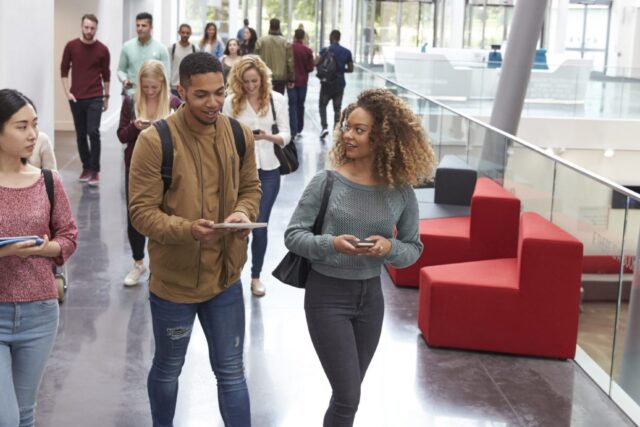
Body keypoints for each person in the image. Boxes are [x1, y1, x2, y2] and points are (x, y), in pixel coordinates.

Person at [284, 88, 436, 426]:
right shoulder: (327, 182)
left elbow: (413, 248)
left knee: (346, 398)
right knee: (349, 396)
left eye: (359, 129)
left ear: (381, 137)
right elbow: (293, 235)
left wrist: (389, 248)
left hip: (370, 299)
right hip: (327, 296)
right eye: (347, 127)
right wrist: (331, 244)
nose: (348, 136)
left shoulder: (400, 191)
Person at [128, 52, 261, 427]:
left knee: (232, 372)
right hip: (175, 285)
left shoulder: (238, 133)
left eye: (219, 93)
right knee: (168, 370)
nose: (213, 103)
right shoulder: (155, 142)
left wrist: (243, 214)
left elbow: (251, 189)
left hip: (226, 279)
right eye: (202, 95)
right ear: (181, 91)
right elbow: (141, 213)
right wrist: (188, 229)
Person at [0, 88, 78, 427]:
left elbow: (69, 235)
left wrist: (48, 249)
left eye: (34, 124)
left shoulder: (48, 180)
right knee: (6, 416)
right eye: (21, 126)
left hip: (40, 312)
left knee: (25, 412)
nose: (33, 134)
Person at [223, 56, 291, 297]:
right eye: (246, 81)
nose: (251, 86)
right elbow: (224, 135)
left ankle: (255, 276)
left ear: (263, 78)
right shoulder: (231, 102)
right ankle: (232, 275)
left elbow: (286, 135)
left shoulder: (277, 100)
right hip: (239, 170)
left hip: (270, 169)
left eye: (255, 81)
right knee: (238, 225)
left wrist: (267, 137)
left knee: (259, 225)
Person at [117, 60, 182, 287]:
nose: (150, 91)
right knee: (135, 214)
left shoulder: (174, 102)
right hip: (136, 165)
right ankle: (138, 262)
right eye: (146, 87)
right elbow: (122, 136)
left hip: (167, 165)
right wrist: (135, 126)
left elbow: (185, 135)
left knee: (165, 212)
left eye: (154, 87)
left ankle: (160, 264)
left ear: (163, 84)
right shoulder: (131, 101)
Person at [60, 13, 110, 186]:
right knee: (81, 134)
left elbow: (106, 75)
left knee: (93, 132)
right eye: (86, 27)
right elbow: (64, 70)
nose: (89, 30)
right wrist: (68, 92)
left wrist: (106, 97)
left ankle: (95, 170)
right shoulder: (71, 46)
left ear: (96, 28)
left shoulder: (102, 49)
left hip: (95, 95)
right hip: (76, 97)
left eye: (92, 28)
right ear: (82, 26)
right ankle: (86, 167)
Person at [117, 12, 170, 97]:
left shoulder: (161, 49)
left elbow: (166, 74)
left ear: (151, 27)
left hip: (153, 95)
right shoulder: (127, 46)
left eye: (143, 26)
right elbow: (120, 70)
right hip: (132, 94)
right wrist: (124, 80)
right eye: (138, 25)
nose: (140, 28)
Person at [317, 30, 353, 139]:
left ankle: (324, 127)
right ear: (339, 38)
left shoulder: (324, 50)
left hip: (326, 84)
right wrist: (341, 70)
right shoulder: (346, 52)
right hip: (339, 84)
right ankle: (336, 130)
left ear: (330, 37)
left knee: (322, 105)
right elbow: (351, 69)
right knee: (337, 108)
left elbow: (317, 63)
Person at [254, 18, 294, 94]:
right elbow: (290, 62)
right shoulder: (286, 43)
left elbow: (255, 59)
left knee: (264, 100)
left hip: (264, 75)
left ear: (270, 26)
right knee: (278, 102)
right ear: (279, 27)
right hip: (281, 78)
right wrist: (291, 78)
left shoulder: (261, 41)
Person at [288, 28, 315, 137]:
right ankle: (299, 128)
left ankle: (293, 129)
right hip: (303, 82)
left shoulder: (289, 49)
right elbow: (311, 68)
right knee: (300, 105)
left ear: (294, 36)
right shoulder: (307, 50)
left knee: (292, 105)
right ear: (303, 37)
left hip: (291, 82)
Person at [169, 23, 197, 98]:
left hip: (189, 86)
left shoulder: (195, 49)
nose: (185, 35)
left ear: (190, 34)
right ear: (179, 33)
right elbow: (169, 66)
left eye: (187, 33)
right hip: (174, 87)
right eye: (183, 32)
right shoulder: (172, 48)